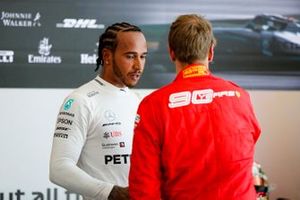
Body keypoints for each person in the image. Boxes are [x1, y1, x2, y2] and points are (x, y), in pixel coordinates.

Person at [129, 14, 261, 200]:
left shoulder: (153, 105)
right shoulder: (240, 96)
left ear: (171, 52)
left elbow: (143, 186)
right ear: (210, 52)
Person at [49, 22, 147, 200]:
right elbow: (59, 168)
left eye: (142, 56)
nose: (138, 66)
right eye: (130, 56)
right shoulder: (81, 100)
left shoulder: (138, 100)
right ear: (107, 56)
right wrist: (113, 193)